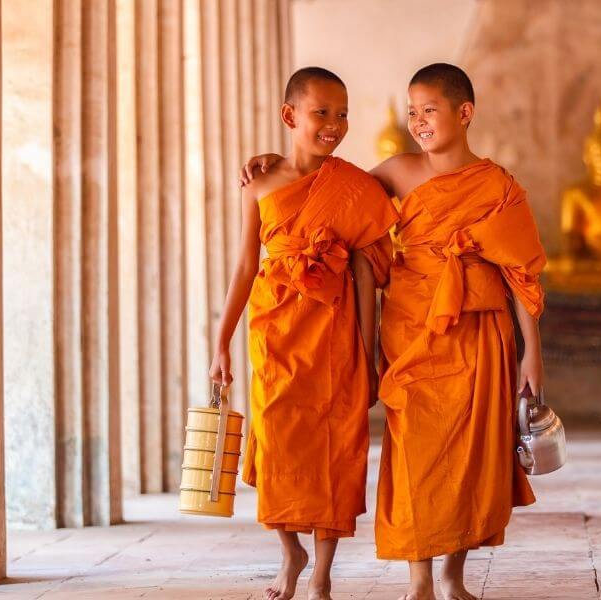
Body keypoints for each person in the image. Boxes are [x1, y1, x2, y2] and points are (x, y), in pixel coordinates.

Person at [241, 62, 547, 600]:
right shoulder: (397, 172)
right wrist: (273, 162)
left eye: (429, 110)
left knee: (472, 455)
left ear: (464, 112)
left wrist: (532, 355)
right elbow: (328, 186)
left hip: (480, 328)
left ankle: (451, 577)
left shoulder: (498, 186)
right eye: (413, 112)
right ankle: (419, 581)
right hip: (411, 328)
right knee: (412, 452)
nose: (420, 121)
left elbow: (519, 274)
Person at [211, 66, 398, 600]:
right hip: (275, 334)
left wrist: (368, 351)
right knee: (276, 443)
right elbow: (246, 266)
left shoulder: (355, 187)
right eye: (322, 113)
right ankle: (290, 551)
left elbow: (367, 276)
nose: (334, 125)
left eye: (342, 114)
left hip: (335, 334)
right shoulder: (260, 183)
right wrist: (221, 340)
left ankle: (321, 573)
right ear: (290, 117)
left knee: (337, 449)